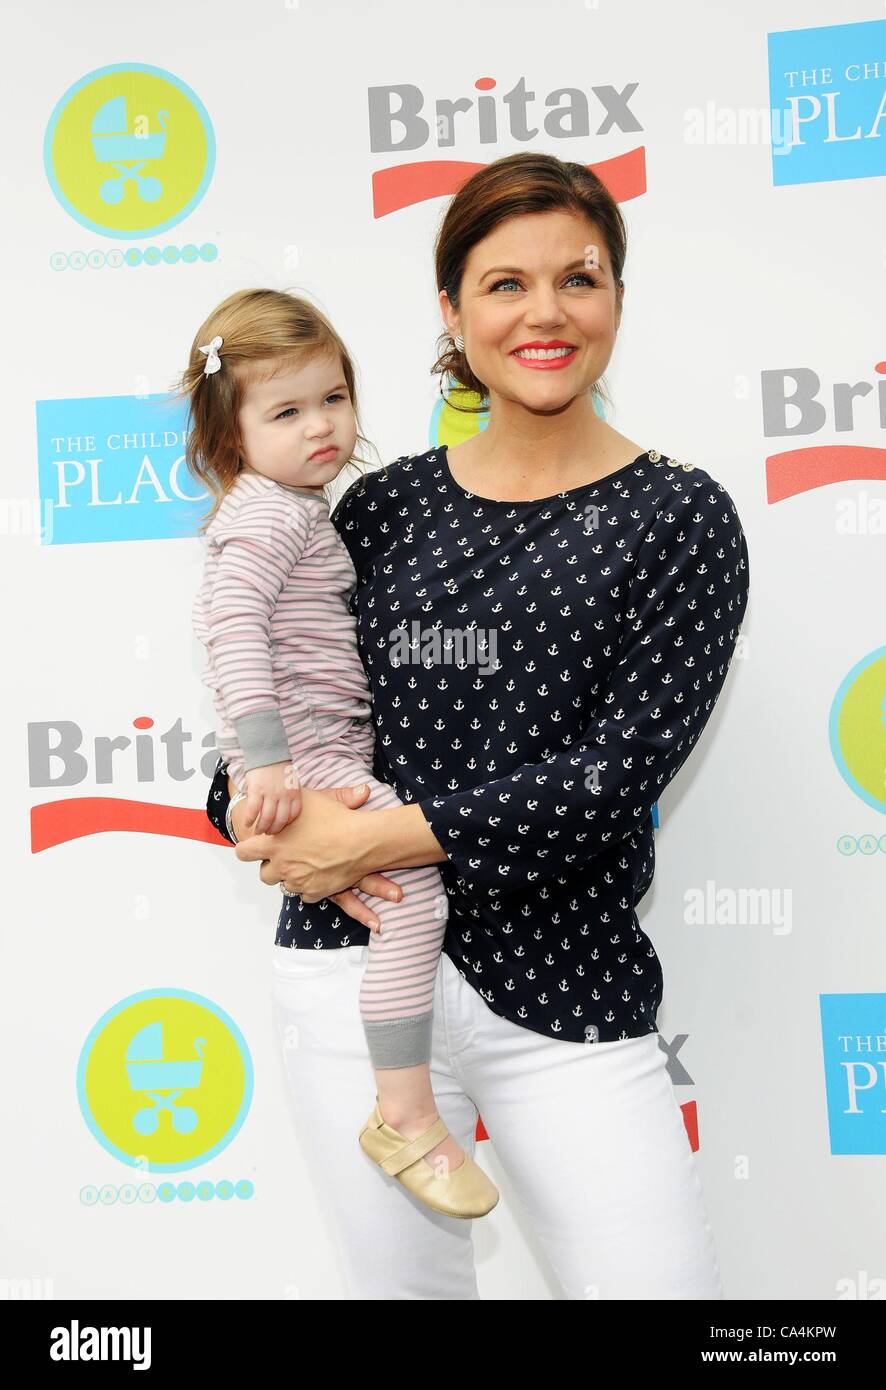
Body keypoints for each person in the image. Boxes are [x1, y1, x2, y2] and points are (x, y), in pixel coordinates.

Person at [205, 151, 751, 1299]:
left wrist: (372, 837)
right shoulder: (380, 506)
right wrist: (268, 810)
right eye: (504, 283)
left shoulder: (679, 515)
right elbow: (297, 703)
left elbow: (613, 776)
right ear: (451, 309)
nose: (544, 312)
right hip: (353, 973)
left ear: (617, 298)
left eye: (579, 277)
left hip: (568, 988)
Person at [180, 288, 499, 1218]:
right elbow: (232, 626)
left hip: (317, 750)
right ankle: (405, 1111)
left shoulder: (296, 508)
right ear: (231, 434)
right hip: (308, 752)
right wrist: (268, 763)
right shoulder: (272, 517)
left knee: (376, 887)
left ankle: (406, 1110)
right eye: (285, 410)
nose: (321, 426)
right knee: (414, 896)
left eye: (333, 398)